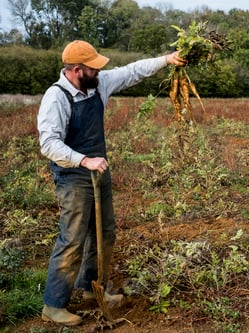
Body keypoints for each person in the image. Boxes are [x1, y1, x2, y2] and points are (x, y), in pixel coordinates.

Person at [37, 40, 186, 326]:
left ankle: (92, 288)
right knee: (73, 238)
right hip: (73, 175)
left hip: (98, 171)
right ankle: (53, 305)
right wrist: (84, 160)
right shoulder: (56, 98)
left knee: (103, 233)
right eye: (94, 68)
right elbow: (49, 144)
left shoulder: (97, 84)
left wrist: (167, 59)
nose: (100, 72)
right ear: (77, 70)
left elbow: (132, 72)